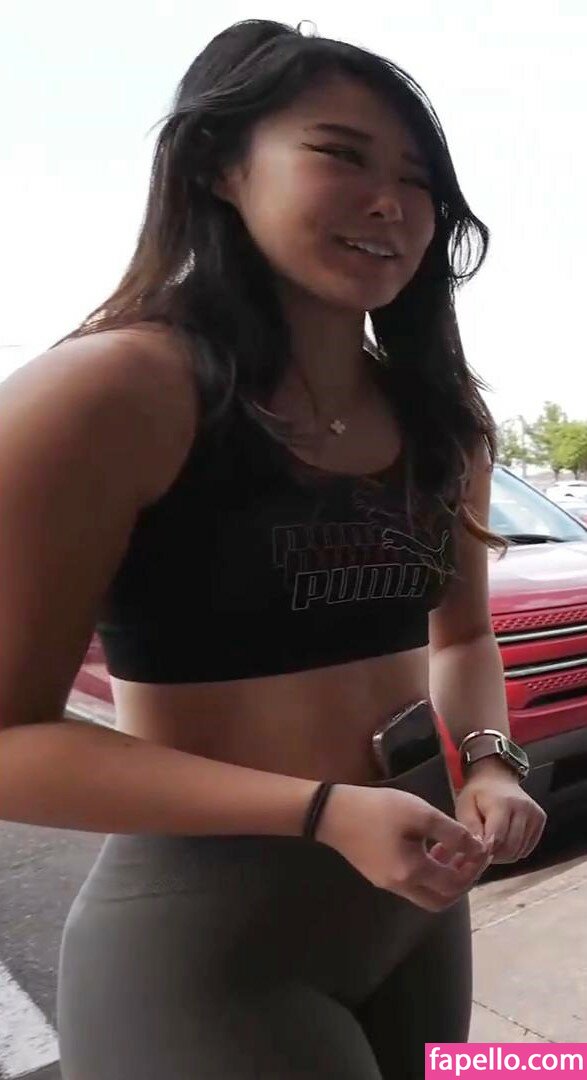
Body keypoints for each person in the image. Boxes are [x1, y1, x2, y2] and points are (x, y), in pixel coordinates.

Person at [0, 19, 546, 1079]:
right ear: (217, 165)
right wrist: (320, 812)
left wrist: (486, 762)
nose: (389, 203)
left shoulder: (440, 418)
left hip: (415, 905)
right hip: (206, 947)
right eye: (341, 154)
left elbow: (460, 637)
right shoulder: (110, 394)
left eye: (418, 180)